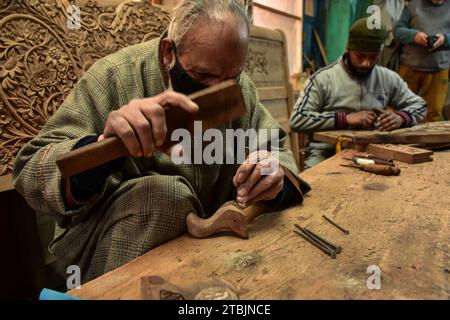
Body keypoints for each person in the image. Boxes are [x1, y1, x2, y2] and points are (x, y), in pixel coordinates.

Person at [13, 0, 310, 283]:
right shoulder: (114, 75)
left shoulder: (239, 86)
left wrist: (273, 177)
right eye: (201, 75)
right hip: (109, 250)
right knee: (165, 198)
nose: (217, 92)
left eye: (230, 77)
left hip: (207, 250)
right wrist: (103, 146)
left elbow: (275, 149)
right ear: (169, 52)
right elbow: (30, 170)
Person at [290, 17, 427, 169]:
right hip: (327, 152)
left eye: (373, 57)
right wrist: (345, 119)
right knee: (314, 185)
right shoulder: (322, 79)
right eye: (360, 56)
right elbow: (298, 119)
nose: (366, 63)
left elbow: (420, 105)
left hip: (375, 151)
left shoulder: (388, 78)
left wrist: (401, 118)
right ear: (348, 49)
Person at [394, 0, 450, 122]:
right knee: (400, 110)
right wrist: (414, 36)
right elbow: (398, 31)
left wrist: (445, 39)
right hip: (410, 68)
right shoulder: (413, 5)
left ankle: (428, 141)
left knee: (433, 114)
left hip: (439, 71)